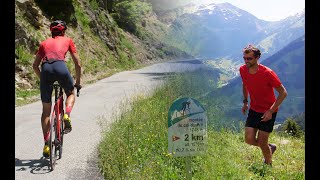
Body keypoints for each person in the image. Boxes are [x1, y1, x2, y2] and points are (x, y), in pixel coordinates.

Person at [32, 20, 82, 158]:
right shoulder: (68, 40)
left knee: (46, 112)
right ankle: (66, 114)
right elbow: (78, 63)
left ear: (51, 31)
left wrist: (43, 79)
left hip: (46, 69)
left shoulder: (44, 43)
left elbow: (35, 65)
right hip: (61, 67)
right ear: (64, 31)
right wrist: (77, 82)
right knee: (70, 93)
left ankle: (47, 144)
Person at [239, 44, 287, 166]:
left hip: (269, 110)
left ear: (257, 58)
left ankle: (268, 164)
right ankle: (269, 148)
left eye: (249, 58)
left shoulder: (268, 73)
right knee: (249, 139)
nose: (246, 61)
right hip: (254, 109)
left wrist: (270, 111)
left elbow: (283, 93)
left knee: (261, 141)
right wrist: (245, 102)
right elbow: (245, 85)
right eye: (244, 58)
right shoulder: (243, 70)